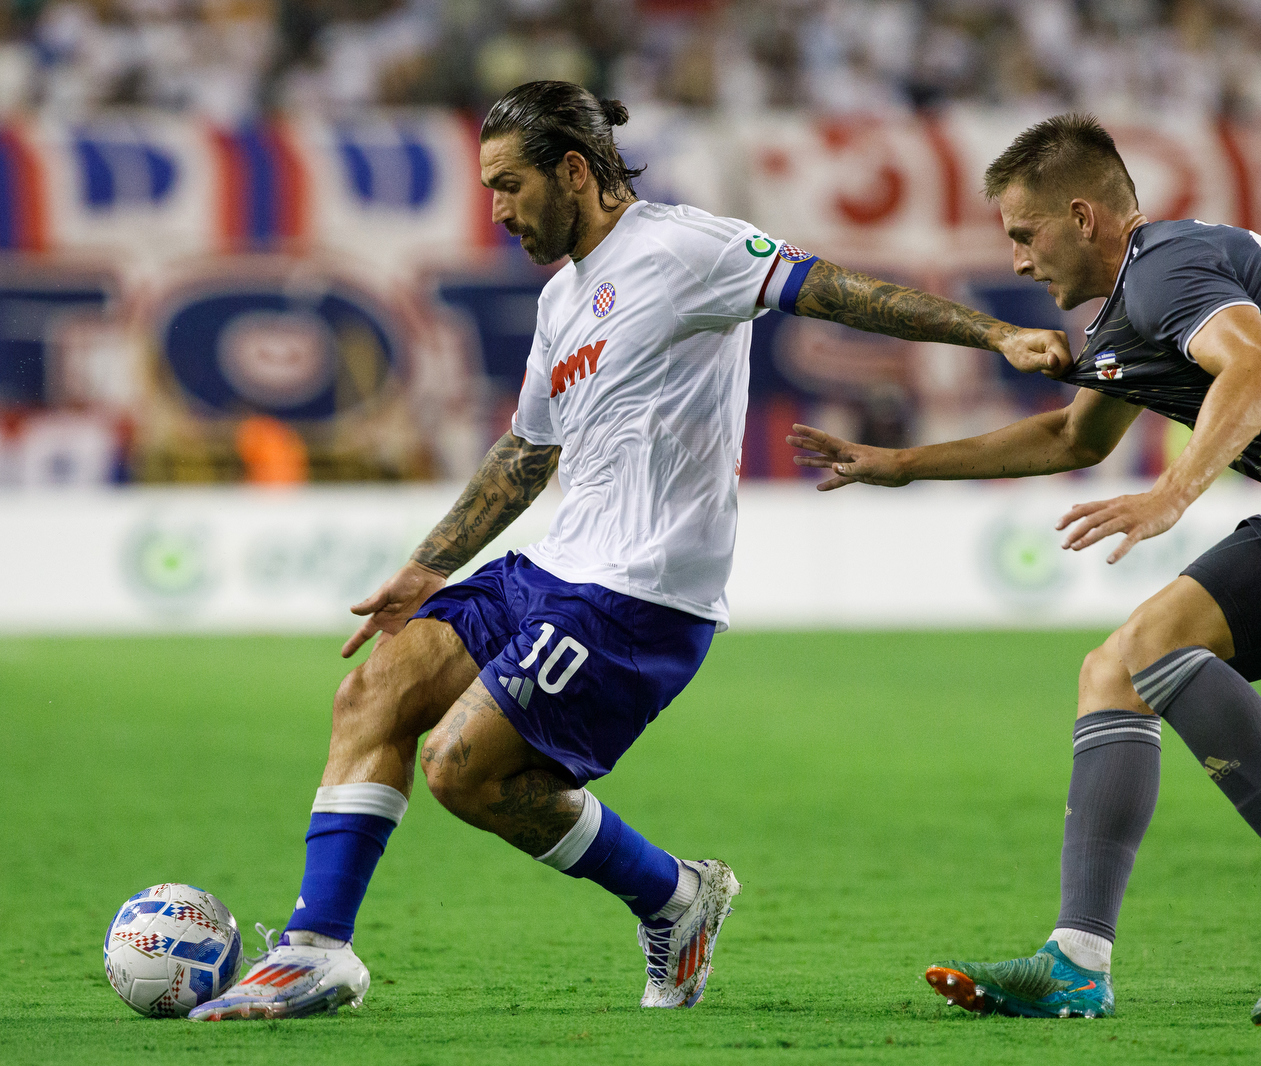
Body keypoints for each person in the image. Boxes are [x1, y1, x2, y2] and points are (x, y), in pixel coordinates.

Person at [188, 80, 1069, 1021]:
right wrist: (429, 566)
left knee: (460, 769)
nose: (497, 210)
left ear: (575, 170)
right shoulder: (563, 297)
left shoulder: (689, 247)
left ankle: (675, 898)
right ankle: (317, 952)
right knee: (374, 689)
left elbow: (841, 291)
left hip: (644, 592)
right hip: (555, 569)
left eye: (509, 184)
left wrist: (996, 333)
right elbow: (529, 450)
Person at [790, 114, 1261, 1024]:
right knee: (1114, 670)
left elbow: (1256, 371)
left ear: (1083, 215)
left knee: (1155, 642)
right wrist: (900, 463)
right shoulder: (1139, 302)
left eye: (1024, 236)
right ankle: (1078, 959)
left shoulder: (1164, 268)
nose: (1021, 262)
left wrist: (1172, 495)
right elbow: (1072, 437)